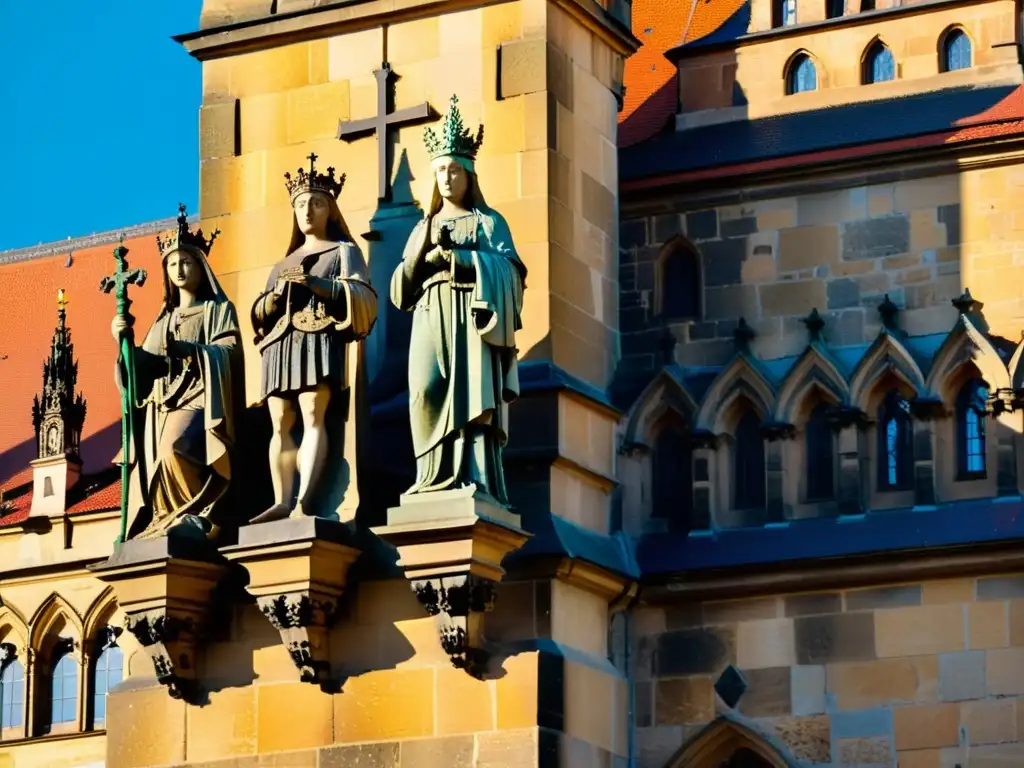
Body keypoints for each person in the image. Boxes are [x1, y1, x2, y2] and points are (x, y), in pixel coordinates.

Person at [390, 95, 527, 506]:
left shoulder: (489, 222)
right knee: (423, 391)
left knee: (474, 396)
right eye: (439, 171)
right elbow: (399, 288)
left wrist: (463, 260)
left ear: (468, 174)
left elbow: (512, 273)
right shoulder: (423, 226)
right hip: (431, 314)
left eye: (454, 169)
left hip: (471, 317)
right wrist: (425, 255)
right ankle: (431, 476)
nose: (447, 178)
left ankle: (474, 475)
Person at [250, 154, 377, 523]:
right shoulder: (282, 262)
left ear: (330, 210)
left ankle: (306, 497)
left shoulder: (343, 251)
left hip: (318, 339)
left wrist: (318, 285)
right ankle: (282, 498)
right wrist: (272, 299)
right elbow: (259, 312)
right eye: (301, 204)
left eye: (317, 203)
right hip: (281, 343)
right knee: (278, 422)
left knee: (312, 413)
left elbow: (362, 294)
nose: (308, 210)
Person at [110, 206, 240, 540]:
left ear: (201, 266)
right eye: (172, 264)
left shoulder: (217, 310)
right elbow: (142, 370)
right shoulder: (164, 319)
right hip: (164, 404)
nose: (179, 269)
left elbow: (229, 353)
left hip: (200, 398)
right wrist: (123, 342)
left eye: (185, 262)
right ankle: (164, 519)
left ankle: (190, 512)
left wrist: (192, 352)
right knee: (157, 459)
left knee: (175, 449)